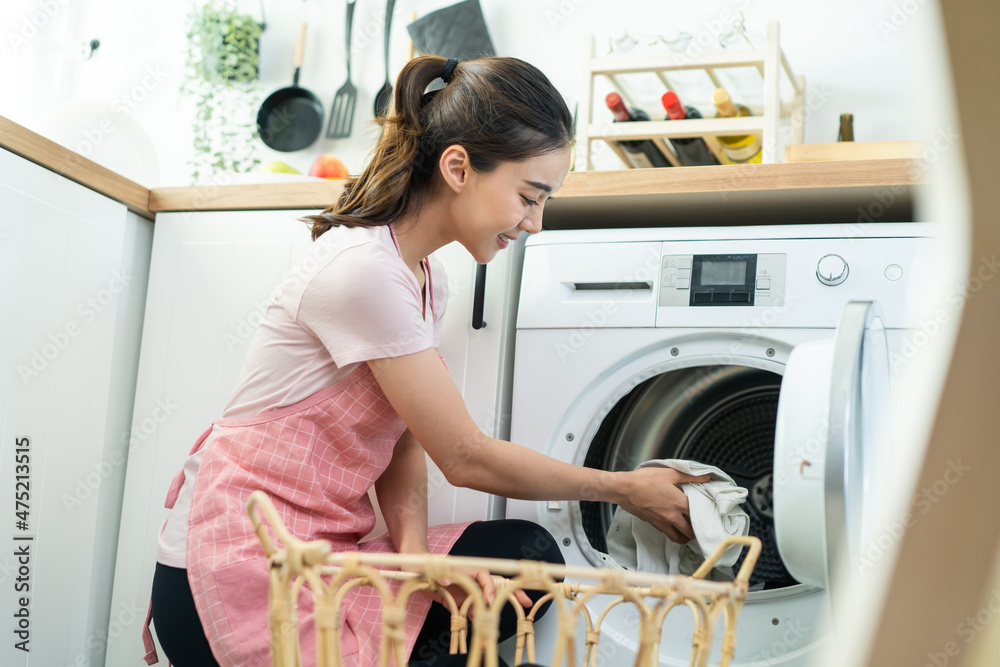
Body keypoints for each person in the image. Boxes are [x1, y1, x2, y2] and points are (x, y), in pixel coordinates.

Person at [142, 55, 709, 667]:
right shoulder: (362, 271)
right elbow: (463, 456)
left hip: (331, 549)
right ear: (458, 166)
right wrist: (621, 489)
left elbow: (405, 441)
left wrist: (417, 563)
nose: (536, 222)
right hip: (240, 561)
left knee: (525, 560)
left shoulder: (426, 278)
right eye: (529, 196)